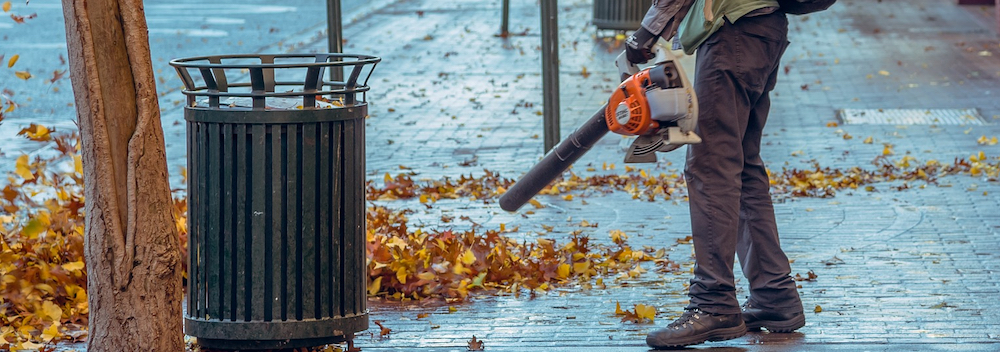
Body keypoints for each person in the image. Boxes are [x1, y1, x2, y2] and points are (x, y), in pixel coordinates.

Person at [625, 0, 805, 348]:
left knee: (711, 167)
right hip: (764, 29)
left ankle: (713, 303)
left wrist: (644, 35)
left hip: (733, 34)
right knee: (742, 166)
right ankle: (774, 296)